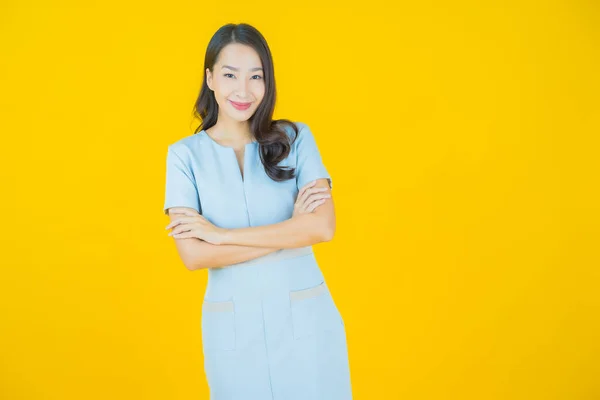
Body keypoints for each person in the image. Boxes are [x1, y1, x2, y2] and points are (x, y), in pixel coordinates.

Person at [163, 23, 352, 400]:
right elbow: (193, 254)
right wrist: (292, 230)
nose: (243, 90)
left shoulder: (296, 139)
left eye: (256, 76)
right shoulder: (184, 156)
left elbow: (323, 227)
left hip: (307, 322)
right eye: (230, 75)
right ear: (210, 78)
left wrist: (221, 236)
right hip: (233, 330)